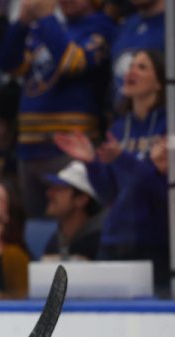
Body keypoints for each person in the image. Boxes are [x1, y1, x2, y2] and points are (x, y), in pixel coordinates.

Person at [54, 49, 169, 294]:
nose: (131, 72)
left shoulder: (167, 127)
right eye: (130, 66)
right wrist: (91, 164)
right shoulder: (118, 128)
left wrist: (123, 159)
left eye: (142, 67)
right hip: (114, 239)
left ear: (160, 82)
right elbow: (111, 195)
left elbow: (161, 192)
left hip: (154, 240)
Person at [0, 0, 116, 217]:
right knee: (35, 229)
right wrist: (22, 23)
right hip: (29, 148)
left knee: (74, 219)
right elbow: (8, 64)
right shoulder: (46, 27)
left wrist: (46, 18)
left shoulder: (101, 26)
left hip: (70, 146)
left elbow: (74, 63)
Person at [42, 161, 104, 261]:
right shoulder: (54, 241)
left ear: (81, 199)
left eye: (59, 189)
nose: (49, 193)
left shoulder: (99, 243)